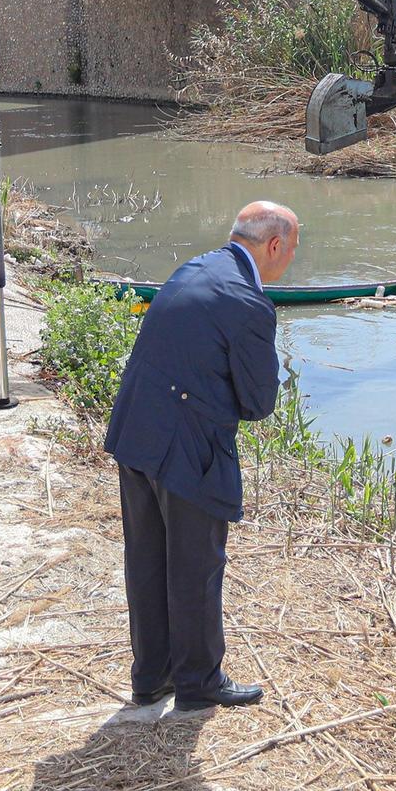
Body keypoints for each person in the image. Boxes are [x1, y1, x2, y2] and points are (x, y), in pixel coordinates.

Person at [103, 202, 299, 712]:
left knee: (147, 559)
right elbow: (259, 403)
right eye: (293, 249)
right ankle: (198, 683)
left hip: (136, 430)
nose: (291, 260)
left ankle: (151, 677)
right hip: (185, 445)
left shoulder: (194, 268)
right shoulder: (250, 303)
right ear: (274, 246)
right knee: (196, 565)